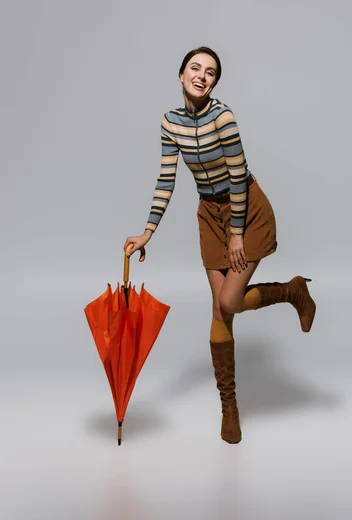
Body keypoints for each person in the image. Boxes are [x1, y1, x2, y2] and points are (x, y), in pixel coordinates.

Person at [123, 46, 316, 445]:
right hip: (209, 215)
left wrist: (237, 233)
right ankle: (230, 407)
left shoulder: (223, 117)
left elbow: (236, 172)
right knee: (221, 310)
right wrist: (147, 232)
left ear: (214, 82)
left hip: (246, 208)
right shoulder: (170, 123)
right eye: (194, 68)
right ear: (180, 75)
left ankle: (293, 291)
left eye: (210, 72)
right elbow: (166, 180)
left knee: (228, 303)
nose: (201, 75)